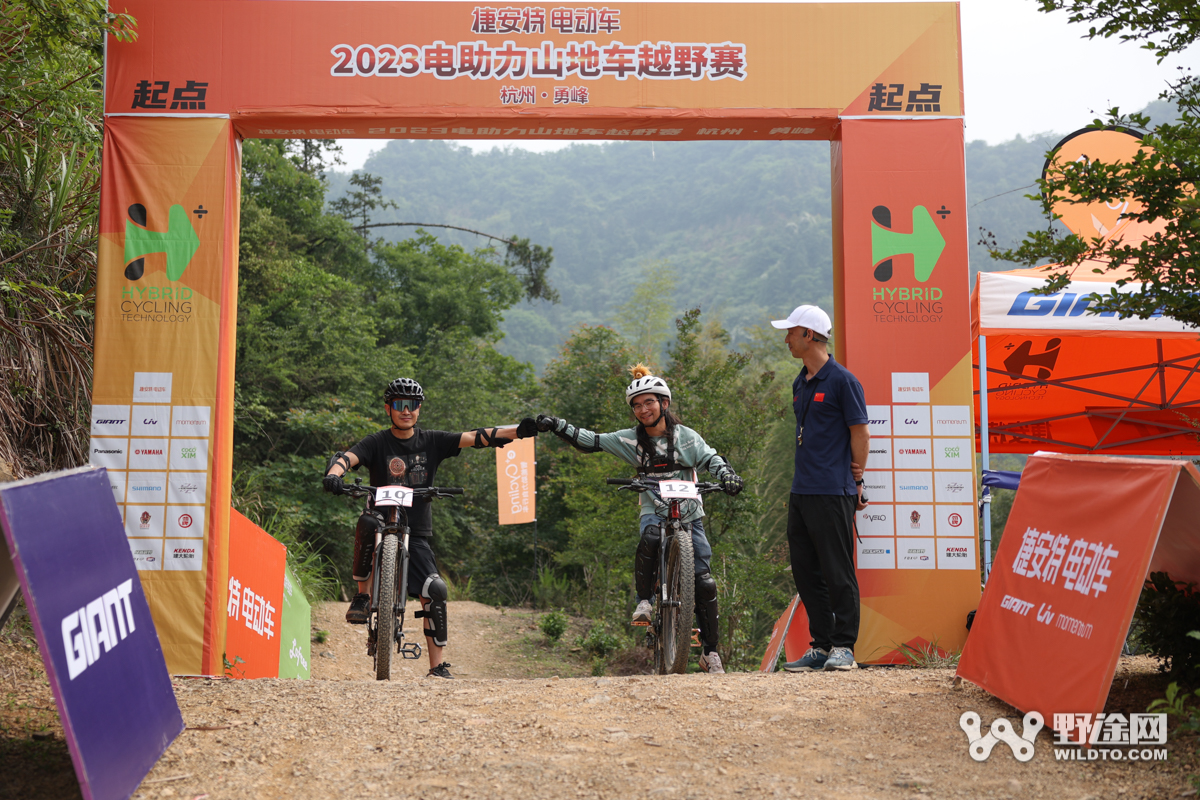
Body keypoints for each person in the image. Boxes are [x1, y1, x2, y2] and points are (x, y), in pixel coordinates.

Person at [322, 377, 537, 679]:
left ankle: (436, 667)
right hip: (381, 522)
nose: (406, 411)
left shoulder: (432, 441)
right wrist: (334, 474)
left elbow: (475, 437)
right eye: (399, 405)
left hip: (416, 531)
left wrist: (519, 431)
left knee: (434, 589)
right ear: (389, 408)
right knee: (368, 521)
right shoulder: (376, 442)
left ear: (419, 409)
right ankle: (362, 596)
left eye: (412, 406)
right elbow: (347, 458)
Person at [536, 364, 743, 675]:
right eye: (637, 405)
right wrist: (556, 425)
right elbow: (590, 441)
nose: (643, 409)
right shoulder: (629, 440)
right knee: (649, 539)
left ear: (664, 403)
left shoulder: (687, 438)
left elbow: (711, 458)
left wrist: (727, 475)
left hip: (690, 513)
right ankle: (644, 601)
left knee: (704, 581)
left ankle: (711, 653)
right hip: (654, 510)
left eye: (649, 402)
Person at [772, 305, 869, 673]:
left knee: (837, 570)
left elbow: (860, 432)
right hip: (802, 491)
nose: (786, 339)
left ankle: (844, 647)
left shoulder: (844, 381)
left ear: (809, 335)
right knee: (805, 571)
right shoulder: (800, 381)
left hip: (833, 490)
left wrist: (858, 481)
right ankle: (821, 644)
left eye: (791, 332)